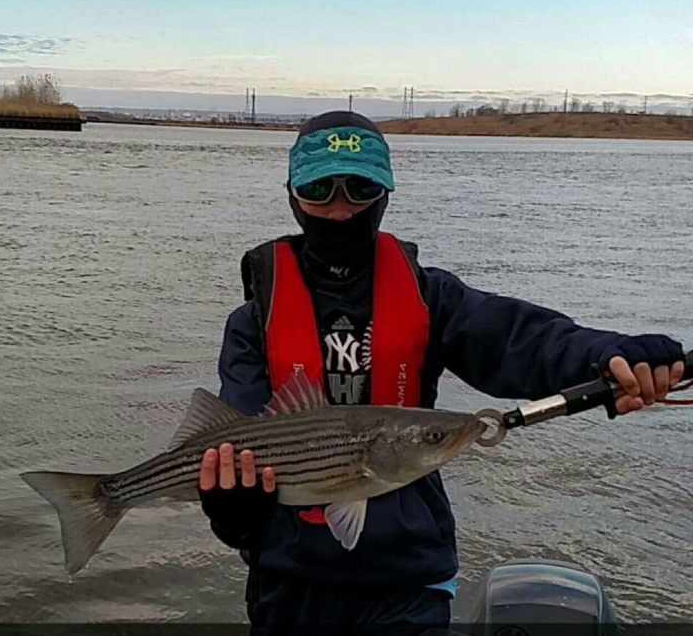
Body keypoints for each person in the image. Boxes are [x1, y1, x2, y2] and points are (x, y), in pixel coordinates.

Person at [196, 111, 685, 633]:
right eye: (320, 189)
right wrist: (234, 512)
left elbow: (525, 339)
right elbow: (238, 441)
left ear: (385, 193)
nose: (339, 212)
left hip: (408, 583)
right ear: (293, 195)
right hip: (288, 583)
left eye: (359, 188)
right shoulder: (253, 322)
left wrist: (607, 354)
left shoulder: (431, 297)